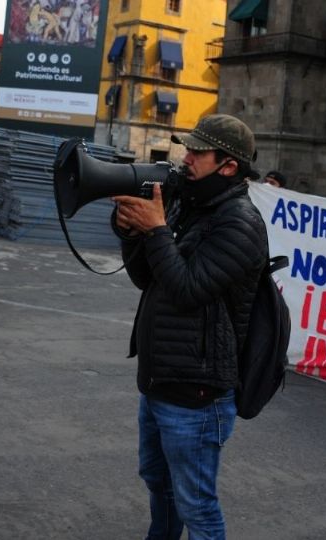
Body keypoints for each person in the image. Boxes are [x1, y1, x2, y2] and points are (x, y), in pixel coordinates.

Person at [112, 114, 268, 539]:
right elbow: (149, 278)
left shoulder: (240, 223)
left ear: (229, 166)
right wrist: (133, 233)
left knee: (196, 505)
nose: (186, 158)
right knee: (159, 485)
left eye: (198, 152)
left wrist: (158, 230)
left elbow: (186, 289)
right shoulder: (194, 207)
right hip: (162, 379)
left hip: (198, 394)